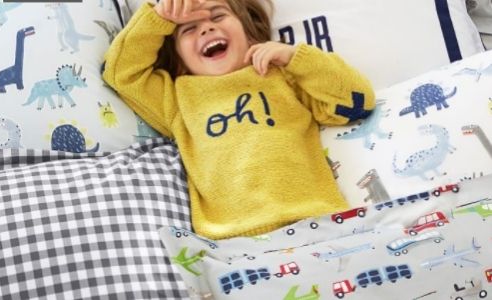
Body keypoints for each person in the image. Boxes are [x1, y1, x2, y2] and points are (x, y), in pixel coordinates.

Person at [102, 0, 375, 240]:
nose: (207, 28)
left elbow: (356, 102)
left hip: (320, 221)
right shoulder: (177, 97)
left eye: (218, 16)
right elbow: (121, 73)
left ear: (249, 35)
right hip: (234, 240)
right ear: (180, 62)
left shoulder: (284, 77)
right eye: (188, 29)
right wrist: (159, 17)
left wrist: (295, 57)